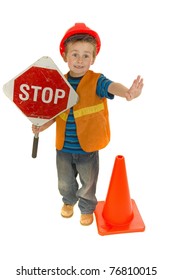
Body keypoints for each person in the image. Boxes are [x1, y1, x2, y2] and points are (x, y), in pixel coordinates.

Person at [32, 23, 143, 226]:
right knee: (64, 182)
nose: (80, 60)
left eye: (86, 55)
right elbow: (53, 113)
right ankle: (68, 201)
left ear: (93, 58)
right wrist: (41, 126)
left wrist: (126, 92)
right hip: (63, 147)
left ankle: (86, 208)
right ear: (65, 56)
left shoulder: (96, 80)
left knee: (88, 182)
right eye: (74, 54)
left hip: (88, 147)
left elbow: (111, 86)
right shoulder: (59, 82)